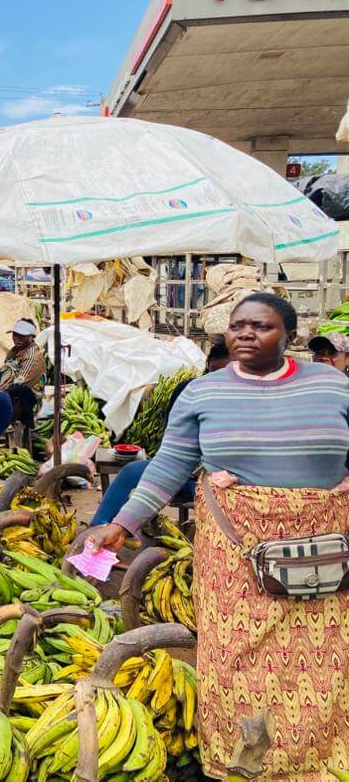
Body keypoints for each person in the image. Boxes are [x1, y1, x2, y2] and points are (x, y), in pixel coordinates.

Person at [88, 293, 348, 781]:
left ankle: (317, 764)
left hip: (321, 552)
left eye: (262, 326)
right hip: (236, 555)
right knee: (236, 658)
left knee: (323, 662)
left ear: (289, 336)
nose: (246, 333)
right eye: (238, 324)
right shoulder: (202, 393)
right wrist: (122, 523)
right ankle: (240, 764)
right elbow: (169, 464)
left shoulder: (333, 387)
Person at [88, 342, 232, 527]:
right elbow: (172, 438)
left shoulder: (245, 399)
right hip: (184, 471)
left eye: (226, 372)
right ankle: (97, 528)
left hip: (222, 483)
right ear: (207, 366)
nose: (218, 378)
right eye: (215, 371)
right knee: (131, 471)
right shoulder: (189, 390)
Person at [0, 318, 46, 391]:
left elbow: (18, 385)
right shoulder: (15, 350)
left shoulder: (32, 358)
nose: (17, 338)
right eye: (15, 334)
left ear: (32, 337)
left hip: (22, 395)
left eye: (22, 335)